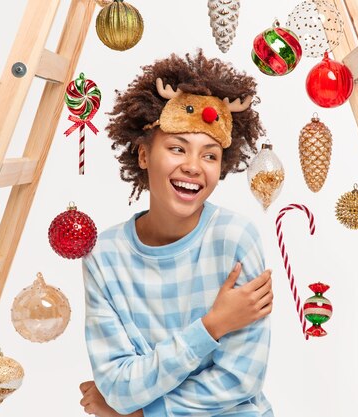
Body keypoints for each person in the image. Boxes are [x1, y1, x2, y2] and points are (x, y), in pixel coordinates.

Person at [79, 51, 274, 416]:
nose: (193, 167)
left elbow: (240, 380)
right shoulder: (103, 256)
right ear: (143, 155)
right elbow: (118, 387)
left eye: (210, 155)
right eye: (177, 148)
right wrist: (211, 326)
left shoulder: (235, 238)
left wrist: (141, 413)